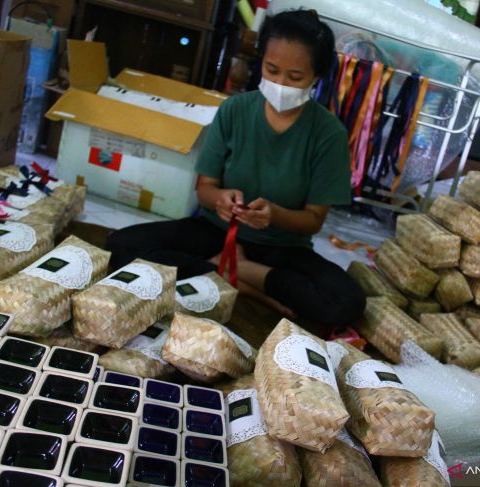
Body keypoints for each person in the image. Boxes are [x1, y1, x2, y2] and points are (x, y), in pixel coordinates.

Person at [106, 9, 365, 332]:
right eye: (272, 70)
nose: (281, 83)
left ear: (317, 76)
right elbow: (205, 190)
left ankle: (241, 271)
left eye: (295, 77)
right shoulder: (235, 110)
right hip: (217, 232)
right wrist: (221, 200)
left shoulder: (328, 133)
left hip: (281, 247)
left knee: (347, 302)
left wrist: (274, 215)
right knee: (120, 244)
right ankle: (238, 279)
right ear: (262, 63)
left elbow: (313, 220)